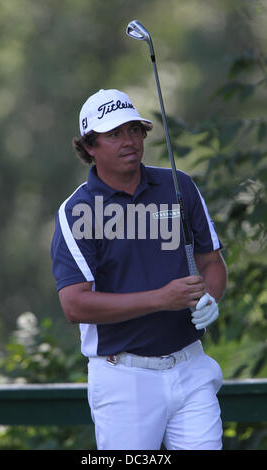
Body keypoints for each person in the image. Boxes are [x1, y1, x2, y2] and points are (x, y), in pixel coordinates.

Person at [51, 88, 228, 450]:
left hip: (191, 366)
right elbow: (75, 305)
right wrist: (163, 299)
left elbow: (212, 263)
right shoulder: (76, 211)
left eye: (134, 130)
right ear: (89, 147)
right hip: (124, 378)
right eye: (114, 134)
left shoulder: (179, 186)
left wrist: (209, 297)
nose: (129, 141)